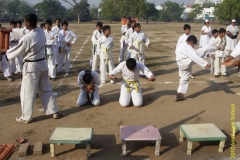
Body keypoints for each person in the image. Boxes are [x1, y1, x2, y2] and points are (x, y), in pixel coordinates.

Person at [0, 13, 60, 123]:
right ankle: (54, 110)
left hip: (32, 67)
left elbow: (19, 49)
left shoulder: (29, 38)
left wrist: (5, 53)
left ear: (28, 22)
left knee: (27, 92)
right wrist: (10, 30)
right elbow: (24, 31)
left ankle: (26, 117)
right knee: (46, 89)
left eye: (25, 21)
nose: (24, 23)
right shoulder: (40, 31)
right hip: (42, 64)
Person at [175, 35, 211, 101]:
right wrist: (205, 64)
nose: (193, 46)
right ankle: (214, 47)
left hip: (180, 64)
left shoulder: (181, 45)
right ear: (191, 42)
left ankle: (178, 94)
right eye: (193, 44)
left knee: (184, 78)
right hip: (186, 62)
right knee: (200, 52)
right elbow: (195, 57)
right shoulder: (188, 47)